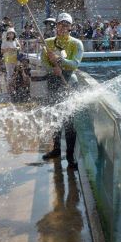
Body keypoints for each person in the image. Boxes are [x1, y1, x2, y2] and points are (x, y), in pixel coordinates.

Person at [41, 13, 83, 168]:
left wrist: (60, 61)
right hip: (53, 82)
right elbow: (44, 62)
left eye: (67, 24)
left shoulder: (76, 43)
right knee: (55, 117)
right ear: (56, 25)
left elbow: (75, 64)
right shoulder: (48, 42)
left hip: (69, 84)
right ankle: (56, 149)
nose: (63, 27)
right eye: (61, 24)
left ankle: (70, 157)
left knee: (69, 121)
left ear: (71, 27)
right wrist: (53, 70)